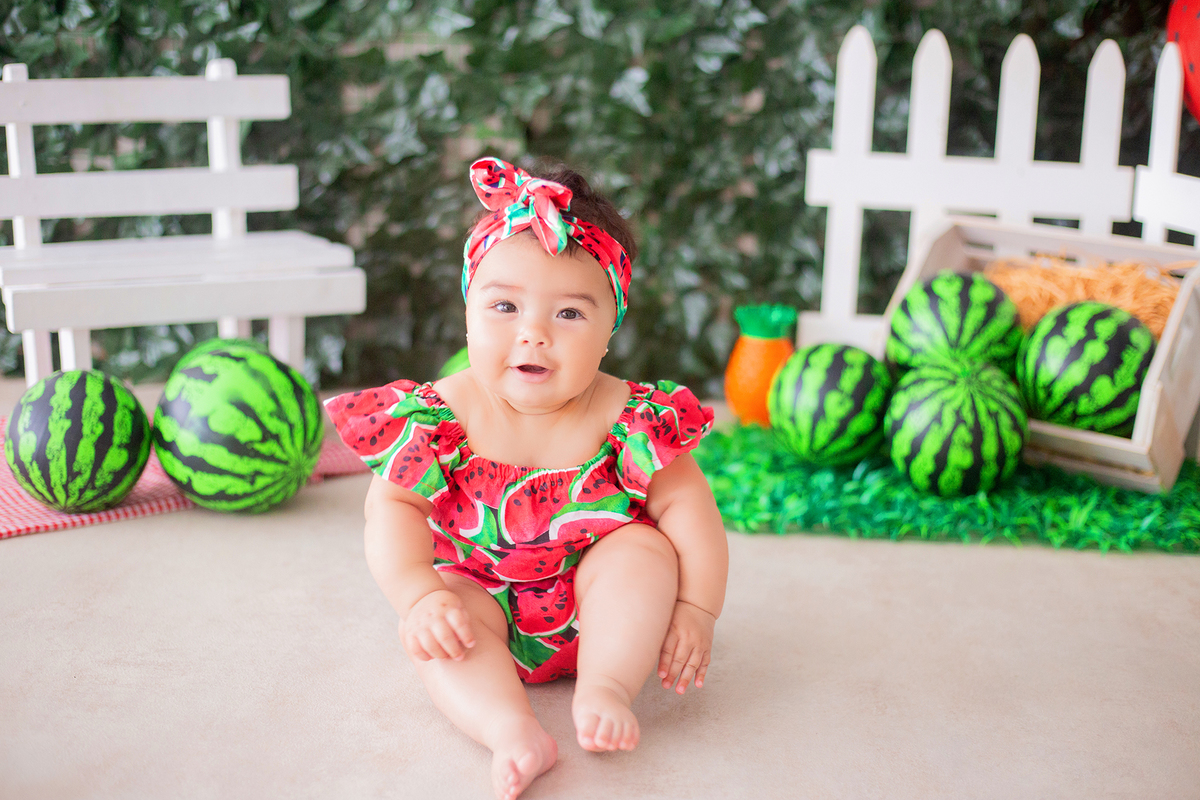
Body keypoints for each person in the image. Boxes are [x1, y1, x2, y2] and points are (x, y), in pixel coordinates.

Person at [325, 157, 729, 800]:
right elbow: (392, 510)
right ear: (468, 314)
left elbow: (690, 511)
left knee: (643, 549)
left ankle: (606, 686)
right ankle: (510, 730)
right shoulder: (438, 414)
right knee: (444, 629)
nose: (533, 334)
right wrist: (417, 596)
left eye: (569, 315)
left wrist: (697, 608)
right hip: (479, 603)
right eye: (505, 306)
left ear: (608, 329)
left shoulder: (630, 418)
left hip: (603, 612)